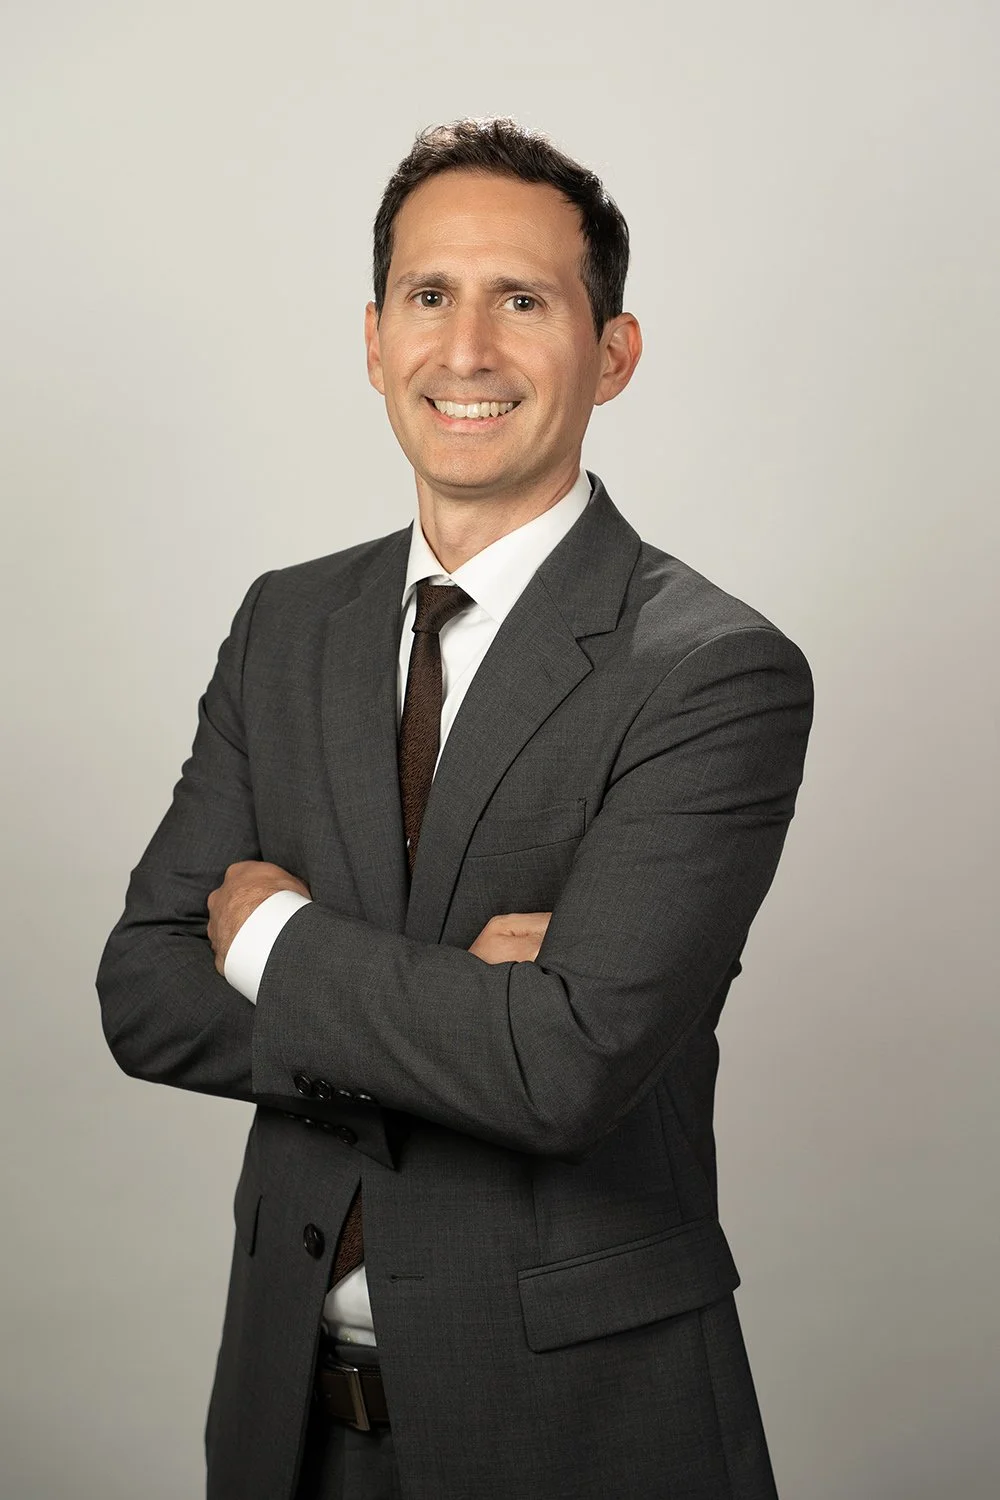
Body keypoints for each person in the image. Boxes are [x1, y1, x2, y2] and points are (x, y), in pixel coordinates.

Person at [97, 118, 813, 1500]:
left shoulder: (716, 671)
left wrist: (277, 947)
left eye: (524, 301)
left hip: (581, 1425)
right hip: (287, 1422)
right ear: (376, 341)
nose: (468, 348)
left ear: (612, 353)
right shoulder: (286, 624)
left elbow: (568, 1067)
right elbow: (143, 988)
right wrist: (456, 1007)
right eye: (431, 296)